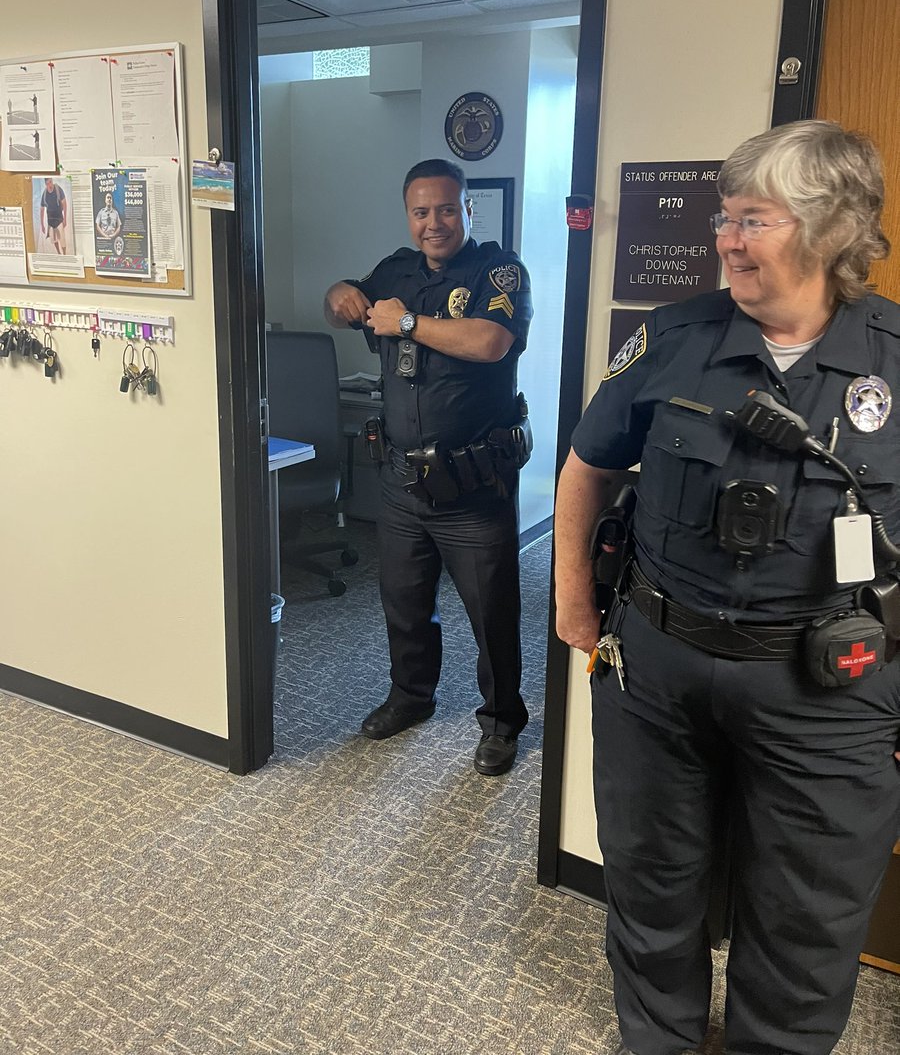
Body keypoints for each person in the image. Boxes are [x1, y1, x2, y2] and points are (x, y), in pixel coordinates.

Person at [554, 120, 900, 1055]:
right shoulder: (673, 336)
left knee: (810, 910)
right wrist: (575, 604)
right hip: (658, 669)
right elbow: (587, 463)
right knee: (651, 877)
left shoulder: (896, 357)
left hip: (826, 689)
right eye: (724, 218)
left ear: (829, 230)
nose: (726, 240)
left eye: (752, 219)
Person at [324, 158, 533, 776]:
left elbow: (491, 341)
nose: (434, 222)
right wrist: (338, 294)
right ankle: (411, 697)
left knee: (491, 611)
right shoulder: (394, 270)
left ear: (468, 208)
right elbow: (347, 299)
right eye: (422, 212)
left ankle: (501, 721)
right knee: (404, 602)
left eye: (447, 209)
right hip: (399, 480)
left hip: (472, 484)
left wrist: (408, 322)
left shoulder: (500, 270)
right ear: (408, 215)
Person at [39, 177, 68, 255]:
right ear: (45, 184)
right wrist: (42, 225)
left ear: (52, 181)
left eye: (50, 182)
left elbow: (64, 204)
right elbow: (42, 209)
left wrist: (65, 219)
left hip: (59, 220)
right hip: (50, 222)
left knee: (62, 240)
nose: (50, 185)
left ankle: (64, 254)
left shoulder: (58, 189)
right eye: (48, 183)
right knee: (54, 240)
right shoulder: (44, 194)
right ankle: (59, 253)